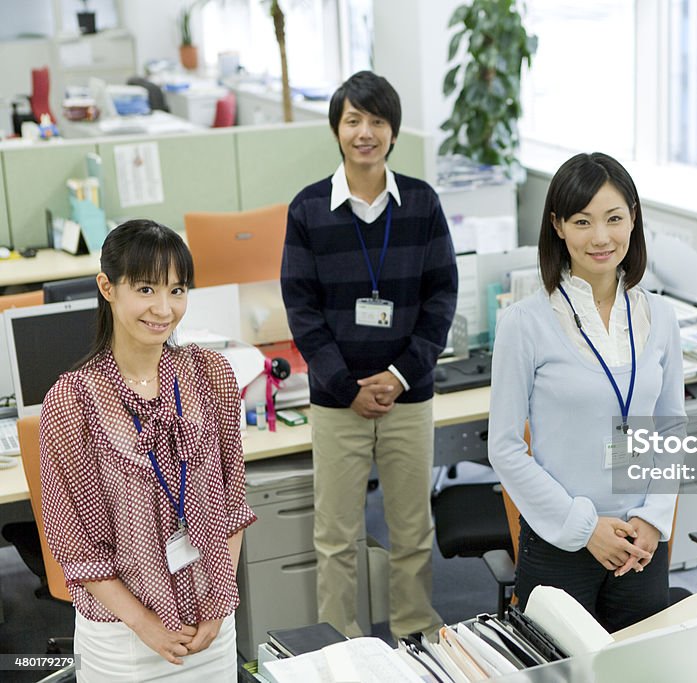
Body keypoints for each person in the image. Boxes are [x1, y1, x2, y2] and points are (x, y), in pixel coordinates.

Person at [39, 219, 256, 681]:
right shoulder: (73, 400)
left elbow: (232, 506)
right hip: (125, 642)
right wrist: (145, 624)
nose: (164, 308)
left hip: (209, 630)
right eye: (145, 288)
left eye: (177, 291)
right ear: (107, 287)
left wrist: (219, 604)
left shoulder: (210, 375)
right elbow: (74, 546)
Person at [281, 70, 457, 638]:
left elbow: (441, 299)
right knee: (335, 538)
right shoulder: (308, 210)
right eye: (353, 120)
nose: (365, 132)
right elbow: (301, 310)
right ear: (337, 129)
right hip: (338, 404)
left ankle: (414, 632)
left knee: (412, 531)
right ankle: (340, 643)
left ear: (393, 132)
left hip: (408, 397)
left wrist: (401, 375)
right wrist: (346, 385)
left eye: (377, 121)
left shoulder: (422, 204)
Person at [488, 152, 686, 632]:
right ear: (557, 226)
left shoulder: (660, 318)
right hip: (562, 543)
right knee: (560, 669)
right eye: (583, 221)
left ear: (633, 219)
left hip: (640, 543)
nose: (601, 237)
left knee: (638, 670)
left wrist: (653, 519)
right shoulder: (525, 323)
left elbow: (674, 427)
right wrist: (585, 528)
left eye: (615, 219)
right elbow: (506, 448)